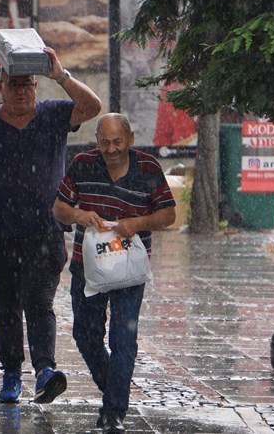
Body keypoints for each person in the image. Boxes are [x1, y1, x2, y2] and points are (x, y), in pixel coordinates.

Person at [0, 47, 102, 404]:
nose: (21, 91)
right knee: (5, 304)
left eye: (28, 85)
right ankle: (12, 371)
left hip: (47, 230)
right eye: (13, 85)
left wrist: (60, 75)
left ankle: (45, 370)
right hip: (0, 231)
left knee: (39, 300)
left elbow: (93, 108)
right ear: (0, 86)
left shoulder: (53, 114)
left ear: (35, 86)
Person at [52, 113, 176, 433]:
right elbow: (59, 207)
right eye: (104, 142)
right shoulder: (82, 163)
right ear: (97, 141)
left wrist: (137, 223)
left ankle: (113, 411)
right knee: (85, 335)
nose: (111, 148)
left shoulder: (148, 168)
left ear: (130, 139)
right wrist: (79, 215)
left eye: (117, 141)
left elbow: (169, 214)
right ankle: (113, 387)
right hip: (86, 267)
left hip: (130, 272)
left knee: (124, 339)